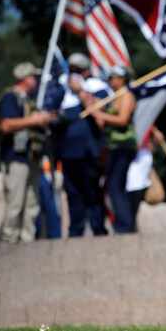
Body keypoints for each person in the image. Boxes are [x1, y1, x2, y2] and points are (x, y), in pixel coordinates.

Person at [0, 62, 53, 243]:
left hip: (31, 158)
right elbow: (6, 125)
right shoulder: (10, 98)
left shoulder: (29, 100)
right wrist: (33, 120)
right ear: (25, 78)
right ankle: (8, 241)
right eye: (33, 77)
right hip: (16, 158)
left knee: (32, 204)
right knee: (15, 204)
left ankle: (26, 242)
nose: (35, 80)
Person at [57, 53, 111, 236]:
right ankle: (75, 231)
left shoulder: (98, 87)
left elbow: (99, 112)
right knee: (73, 194)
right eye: (71, 70)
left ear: (87, 71)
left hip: (90, 152)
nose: (74, 74)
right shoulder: (61, 88)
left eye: (78, 70)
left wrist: (80, 91)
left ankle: (98, 229)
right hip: (67, 152)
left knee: (93, 193)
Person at [87, 66, 139, 234]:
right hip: (113, 146)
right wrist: (95, 109)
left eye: (114, 77)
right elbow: (103, 124)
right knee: (114, 185)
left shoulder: (127, 96)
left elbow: (122, 120)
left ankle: (124, 225)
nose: (111, 81)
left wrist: (100, 115)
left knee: (115, 185)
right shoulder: (113, 98)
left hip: (124, 146)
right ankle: (124, 223)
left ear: (122, 79)